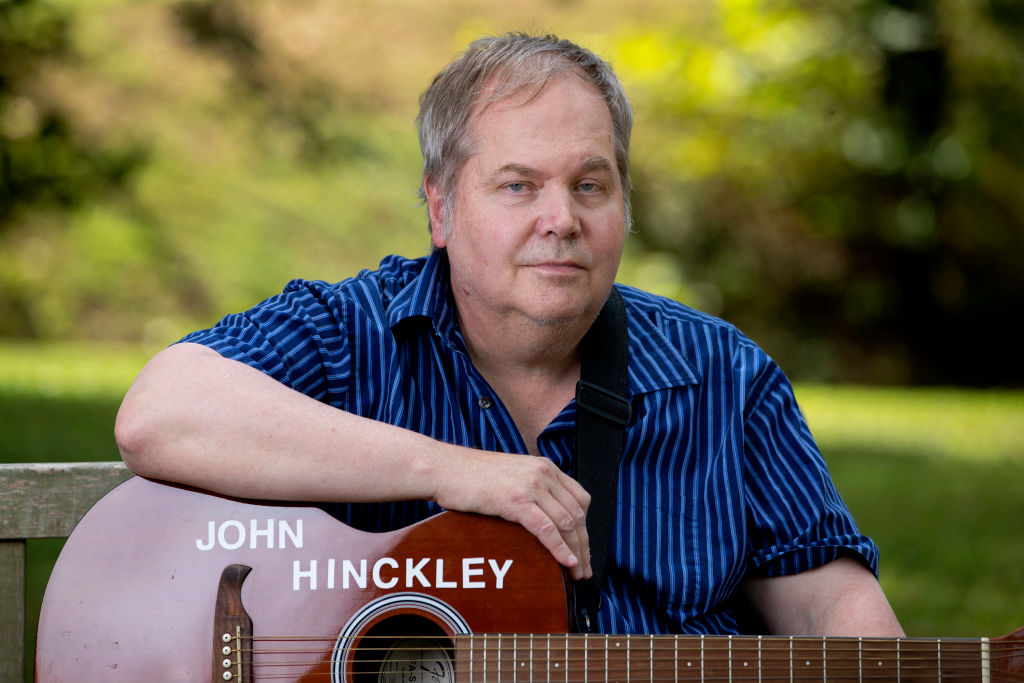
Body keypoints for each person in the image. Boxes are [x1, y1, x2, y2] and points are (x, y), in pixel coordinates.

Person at [116, 33, 904, 637]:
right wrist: (453, 470)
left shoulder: (727, 377)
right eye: (519, 185)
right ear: (441, 208)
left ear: (624, 205)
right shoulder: (349, 333)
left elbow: (831, 602)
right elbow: (159, 414)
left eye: (590, 185)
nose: (561, 218)